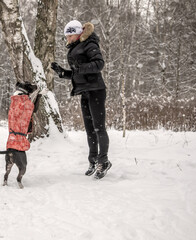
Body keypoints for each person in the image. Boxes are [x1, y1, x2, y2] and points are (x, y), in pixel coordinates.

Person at [51, 20, 112, 179]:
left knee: (98, 128)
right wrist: (63, 73)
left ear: (78, 33)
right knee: (90, 129)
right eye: (67, 36)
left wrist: (80, 68)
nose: (68, 39)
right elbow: (78, 72)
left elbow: (99, 64)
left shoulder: (90, 44)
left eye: (70, 35)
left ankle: (103, 161)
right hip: (85, 92)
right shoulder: (77, 47)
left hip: (96, 90)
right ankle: (92, 161)